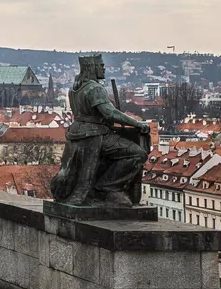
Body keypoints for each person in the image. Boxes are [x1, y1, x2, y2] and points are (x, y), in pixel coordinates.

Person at [50, 54, 151, 206]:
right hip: (96, 135)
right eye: (101, 66)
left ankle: (104, 188)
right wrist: (137, 123)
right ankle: (107, 188)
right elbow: (110, 113)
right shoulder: (95, 89)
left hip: (77, 134)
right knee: (137, 154)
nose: (104, 68)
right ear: (92, 68)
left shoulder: (74, 89)